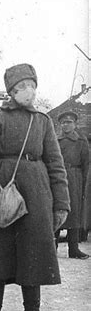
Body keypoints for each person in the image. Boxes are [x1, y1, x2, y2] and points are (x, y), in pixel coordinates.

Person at [0, 63, 70, 311]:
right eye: (21, 86)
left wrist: (61, 203)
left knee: (34, 251)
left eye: (32, 85)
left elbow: (56, 165)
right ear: (11, 91)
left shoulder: (43, 121)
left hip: (37, 194)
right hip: (1, 189)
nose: (28, 90)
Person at [54, 111, 89, 259]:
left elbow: (86, 164)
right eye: (63, 122)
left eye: (69, 122)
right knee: (56, 209)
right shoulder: (55, 140)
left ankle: (73, 249)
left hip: (75, 177)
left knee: (74, 211)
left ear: (75, 124)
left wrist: (85, 183)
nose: (66, 125)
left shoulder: (81, 141)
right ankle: (52, 248)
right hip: (58, 176)